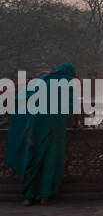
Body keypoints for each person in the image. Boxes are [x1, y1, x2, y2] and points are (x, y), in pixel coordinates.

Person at [5, 64, 77, 205]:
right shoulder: (67, 82)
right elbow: (71, 106)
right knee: (50, 161)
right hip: (53, 130)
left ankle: (29, 196)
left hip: (33, 127)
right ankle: (45, 195)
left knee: (31, 158)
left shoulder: (40, 80)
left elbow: (20, 100)